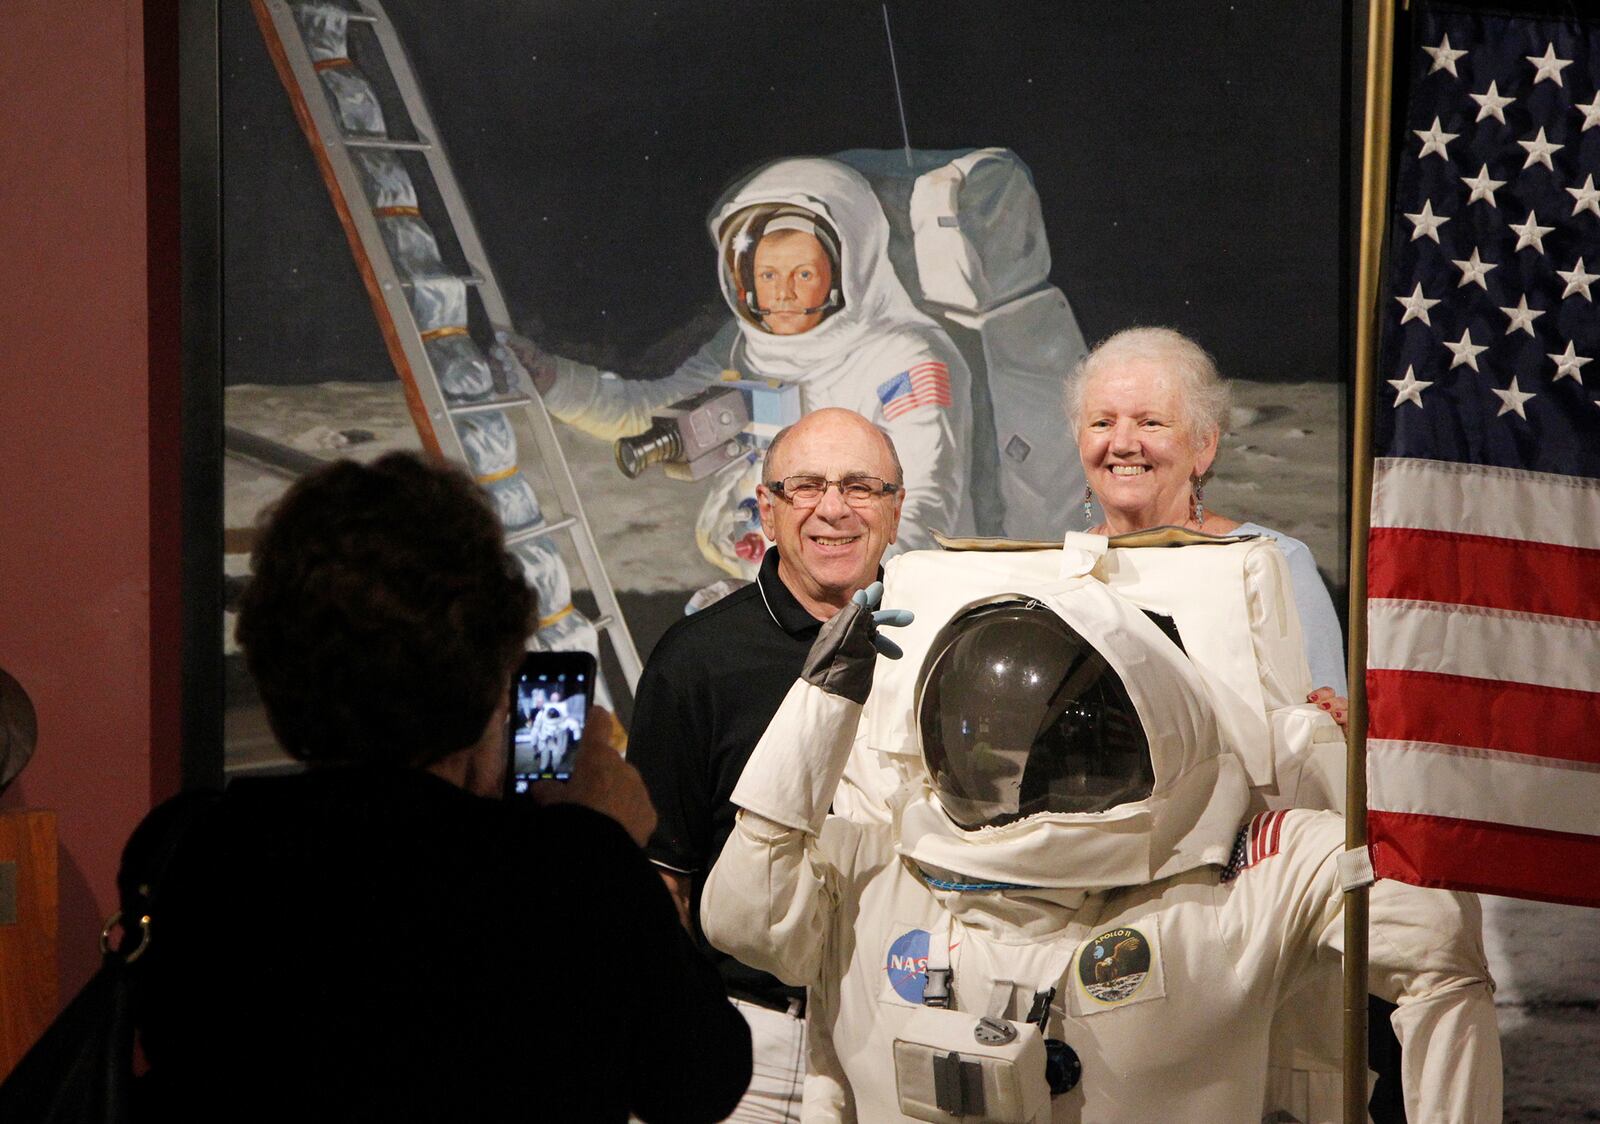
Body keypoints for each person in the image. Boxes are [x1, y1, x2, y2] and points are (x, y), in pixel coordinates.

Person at [701, 544, 1501, 1121]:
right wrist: (821, 701)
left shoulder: (1247, 868)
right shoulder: (891, 859)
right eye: (989, 735)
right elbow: (740, 915)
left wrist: (1385, 763)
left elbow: (1436, 951)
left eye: (1074, 739)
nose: (1025, 772)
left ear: (1155, 725)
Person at [133, 452, 751, 1122]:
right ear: (493, 667)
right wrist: (615, 845)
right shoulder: (566, 870)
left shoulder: (199, 847)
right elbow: (700, 1081)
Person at [498, 156, 972, 578]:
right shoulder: (744, 348)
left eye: (803, 274)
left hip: (869, 602)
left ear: (848, 269)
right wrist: (555, 381)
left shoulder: (905, 359)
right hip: (779, 588)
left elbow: (923, 508)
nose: (782, 293)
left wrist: (847, 601)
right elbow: (648, 410)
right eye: (767, 275)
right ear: (742, 279)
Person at [625, 407, 905, 1120]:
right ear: (768, 512)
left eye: (862, 487)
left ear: (897, 509)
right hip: (759, 1045)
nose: (834, 508)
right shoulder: (696, 663)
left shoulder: (944, 643)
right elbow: (666, 881)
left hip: (906, 1026)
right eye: (805, 487)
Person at [1065, 326, 1348, 718]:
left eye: (1150, 423)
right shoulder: (1060, 572)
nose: (1123, 443)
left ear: (1204, 445)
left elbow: (1324, 738)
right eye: (1102, 423)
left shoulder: (1274, 564)